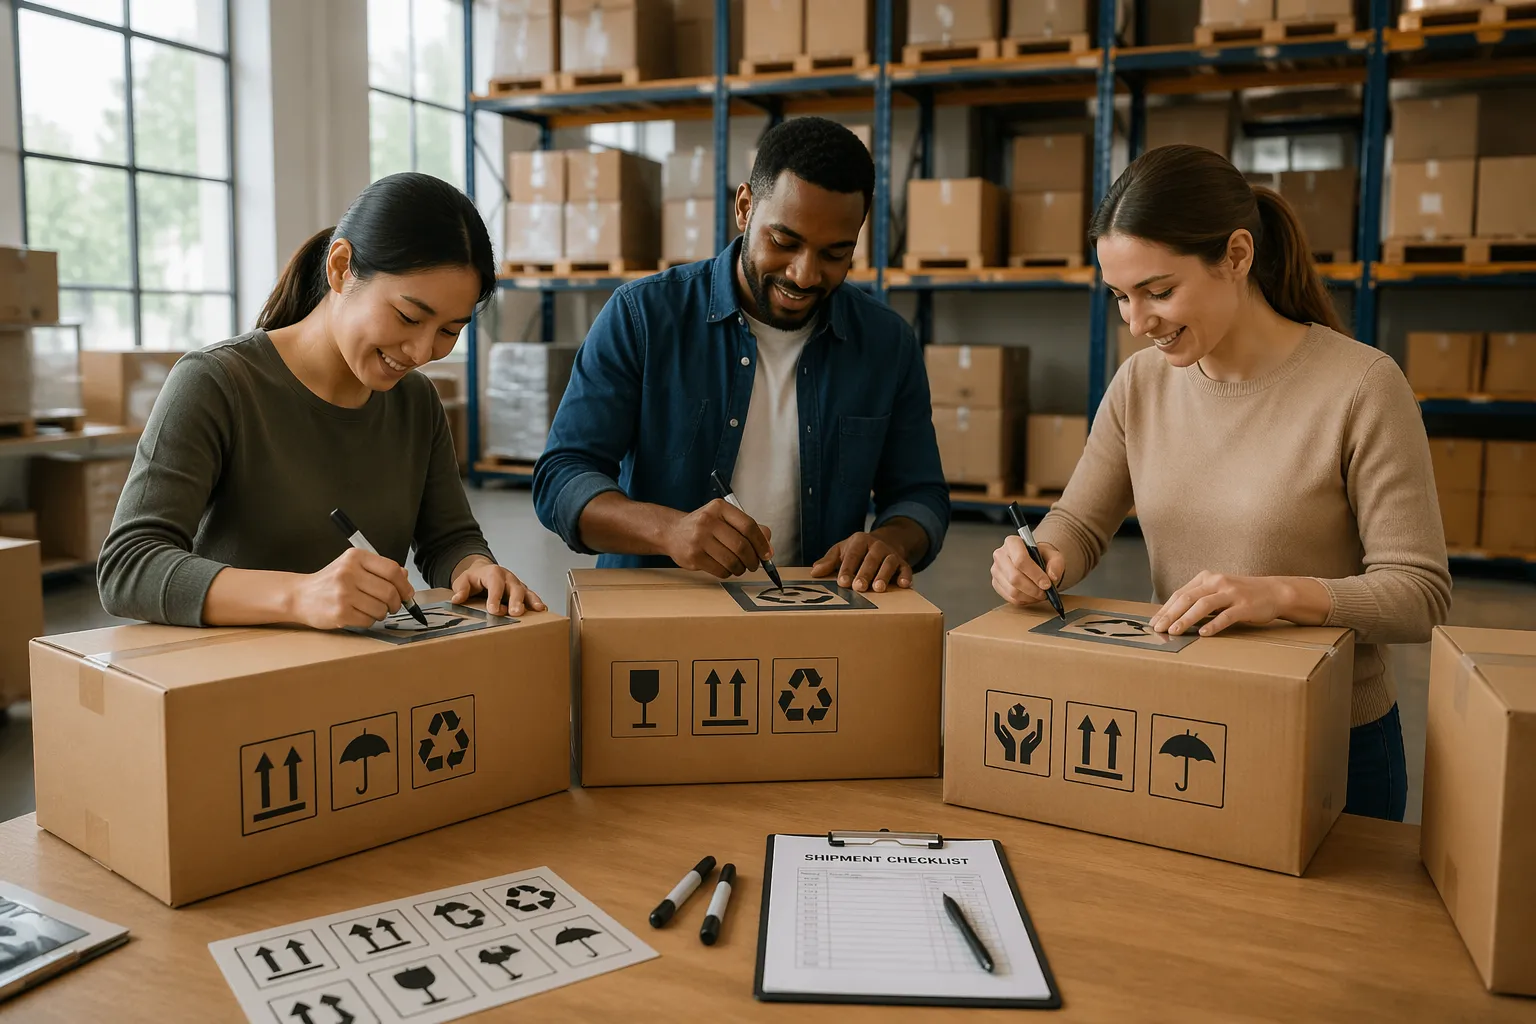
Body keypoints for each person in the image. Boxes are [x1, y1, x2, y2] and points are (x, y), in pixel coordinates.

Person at [990, 145, 1451, 822]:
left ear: (1237, 256)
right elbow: (1081, 523)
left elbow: (1420, 593)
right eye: (1120, 296)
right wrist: (1039, 556)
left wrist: (1277, 595)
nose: (1136, 323)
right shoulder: (1140, 384)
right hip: (1180, 722)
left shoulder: (1362, 386)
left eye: (1159, 291)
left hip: (1331, 740)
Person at [98, 172, 545, 629]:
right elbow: (129, 567)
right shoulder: (216, 383)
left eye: (450, 330)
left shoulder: (416, 402)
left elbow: (448, 538)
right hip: (237, 681)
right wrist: (299, 596)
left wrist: (475, 570)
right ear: (340, 267)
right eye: (409, 316)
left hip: (365, 682)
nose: (422, 352)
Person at [533, 117, 949, 591]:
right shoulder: (643, 316)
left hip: (814, 613)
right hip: (658, 613)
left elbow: (920, 494)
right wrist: (669, 531)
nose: (805, 274)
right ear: (745, 206)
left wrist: (892, 541)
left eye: (835, 253)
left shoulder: (886, 343)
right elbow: (561, 479)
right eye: (784, 242)